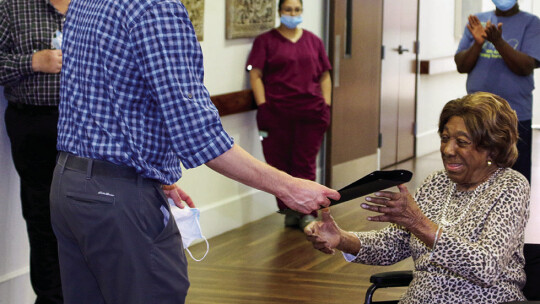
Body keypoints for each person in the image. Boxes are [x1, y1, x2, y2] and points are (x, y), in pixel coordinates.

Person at [50, 0, 340, 303]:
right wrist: (288, 186)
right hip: (118, 201)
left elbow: (109, 99)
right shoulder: (155, 7)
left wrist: (156, 172)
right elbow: (199, 135)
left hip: (69, 186)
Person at [305, 92, 530, 303]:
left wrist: (417, 223)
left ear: (492, 148)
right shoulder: (436, 182)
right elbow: (393, 245)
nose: (448, 150)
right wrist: (341, 238)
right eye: (444, 138)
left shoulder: (509, 186)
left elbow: (486, 267)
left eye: (462, 142)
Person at [0, 0, 69, 302]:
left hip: (89, 125)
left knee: (90, 216)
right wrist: (33, 62)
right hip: (34, 125)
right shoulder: (11, 8)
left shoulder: (96, 6)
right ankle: (51, 297)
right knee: (42, 218)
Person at [246, 0, 332, 230]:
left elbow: (325, 76)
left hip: (311, 113)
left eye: (296, 10)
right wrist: (263, 106)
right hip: (276, 114)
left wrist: (327, 105)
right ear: (279, 12)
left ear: (301, 12)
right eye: (288, 10)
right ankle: (289, 211)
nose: (292, 14)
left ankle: (307, 211)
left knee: (304, 165)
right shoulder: (265, 41)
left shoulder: (313, 41)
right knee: (278, 166)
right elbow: (255, 75)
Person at [454, 0, 540, 183]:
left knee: (514, 177)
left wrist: (498, 42)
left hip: (515, 114)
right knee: (476, 173)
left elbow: (525, 67)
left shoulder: (532, 23)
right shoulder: (478, 21)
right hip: (477, 114)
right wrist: (478, 44)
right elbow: (461, 65)